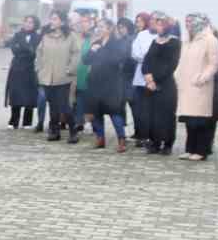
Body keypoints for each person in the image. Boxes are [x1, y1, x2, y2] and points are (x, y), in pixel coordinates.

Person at [176, 13, 218, 161]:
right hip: (185, 85)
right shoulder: (187, 40)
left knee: (200, 120)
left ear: (198, 23)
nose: (187, 25)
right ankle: (190, 149)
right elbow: (181, 61)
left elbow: (213, 64)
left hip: (200, 86)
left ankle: (201, 150)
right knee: (189, 119)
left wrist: (202, 78)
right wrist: (176, 74)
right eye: (186, 22)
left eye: (190, 22)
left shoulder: (210, 40)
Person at [84, 20, 132, 151]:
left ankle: (121, 140)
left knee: (114, 112)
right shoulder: (96, 43)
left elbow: (119, 59)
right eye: (98, 27)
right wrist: (93, 51)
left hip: (111, 83)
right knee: (96, 111)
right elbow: (85, 60)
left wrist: (103, 51)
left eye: (102, 27)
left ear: (110, 29)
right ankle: (100, 139)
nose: (98, 29)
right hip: (95, 83)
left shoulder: (117, 44)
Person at [34, 12, 80, 143]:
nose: (52, 21)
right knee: (52, 105)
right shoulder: (46, 36)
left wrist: (70, 69)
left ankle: (73, 131)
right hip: (47, 76)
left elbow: (76, 54)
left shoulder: (70, 36)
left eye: (55, 19)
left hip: (63, 77)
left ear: (62, 21)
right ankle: (54, 131)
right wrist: (39, 69)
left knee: (64, 105)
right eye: (51, 18)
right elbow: (39, 53)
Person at [141, 13, 181, 155]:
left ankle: (168, 144)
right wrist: (147, 77)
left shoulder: (175, 42)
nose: (157, 27)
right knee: (152, 115)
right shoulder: (155, 41)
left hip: (166, 84)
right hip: (151, 84)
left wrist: (154, 79)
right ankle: (155, 142)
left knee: (167, 115)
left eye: (160, 24)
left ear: (167, 26)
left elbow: (171, 65)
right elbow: (146, 61)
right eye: (156, 24)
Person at [5, 15, 41, 130]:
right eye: (26, 21)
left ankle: (27, 122)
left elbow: (35, 52)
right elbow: (14, 50)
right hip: (17, 68)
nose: (28, 24)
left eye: (31, 22)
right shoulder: (17, 35)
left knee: (29, 95)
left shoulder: (38, 37)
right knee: (15, 94)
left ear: (35, 24)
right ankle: (13, 120)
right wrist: (27, 49)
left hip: (30, 69)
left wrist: (24, 48)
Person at [127, 14, 156, 147]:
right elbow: (135, 53)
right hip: (139, 76)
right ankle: (142, 135)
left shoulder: (159, 36)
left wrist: (147, 57)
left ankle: (152, 136)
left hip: (155, 76)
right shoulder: (141, 35)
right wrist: (147, 57)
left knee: (151, 109)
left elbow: (157, 55)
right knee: (140, 109)